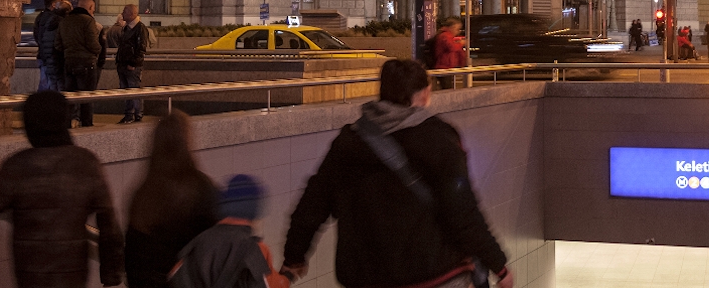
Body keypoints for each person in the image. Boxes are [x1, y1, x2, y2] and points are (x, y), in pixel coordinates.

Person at [281, 59, 512, 288]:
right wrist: (498, 265)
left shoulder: (347, 144)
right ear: (424, 93)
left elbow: (311, 207)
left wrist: (294, 257)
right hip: (433, 275)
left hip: (364, 279)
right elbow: (463, 212)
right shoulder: (439, 139)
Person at [0, 91, 124, 288]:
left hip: (31, 275)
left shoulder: (18, 165)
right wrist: (111, 274)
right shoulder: (86, 163)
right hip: (73, 274)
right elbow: (109, 225)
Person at [125, 111, 219, 287]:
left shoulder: (142, 193)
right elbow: (214, 247)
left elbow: (131, 256)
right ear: (186, 142)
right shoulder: (201, 188)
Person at [169, 174, 281, 288]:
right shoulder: (255, 249)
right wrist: (288, 276)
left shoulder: (198, 242)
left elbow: (176, 278)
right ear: (253, 210)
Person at [56, 0, 103, 127]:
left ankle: (67, 126)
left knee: (70, 98)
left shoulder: (65, 21)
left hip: (69, 63)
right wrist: (98, 49)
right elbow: (93, 45)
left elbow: (58, 44)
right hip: (87, 64)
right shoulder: (88, 21)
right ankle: (86, 126)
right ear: (90, 7)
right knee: (86, 99)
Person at [117, 3, 148, 123]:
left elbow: (141, 49)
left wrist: (133, 64)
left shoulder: (140, 28)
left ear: (132, 14)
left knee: (134, 90)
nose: (122, 13)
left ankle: (137, 115)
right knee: (126, 91)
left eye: (124, 11)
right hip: (123, 64)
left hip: (131, 66)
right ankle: (129, 115)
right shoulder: (127, 27)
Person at [33, 0, 60, 91]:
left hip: (42, 55)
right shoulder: (53, 18)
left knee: (44, 84)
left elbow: (36, 35)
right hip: (49, 57)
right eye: (59, 2)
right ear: (53, 4)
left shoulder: (40, 17)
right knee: (49, 86)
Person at [431, 17, 467, 89]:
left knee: (448, 88)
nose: (458, 31)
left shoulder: (448, 36)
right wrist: (461, 44)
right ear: (452, 27)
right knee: (447, 89)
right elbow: (451, 47)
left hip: (447, 66)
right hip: (443, 67)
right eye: (457, 29)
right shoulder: (445, 36)